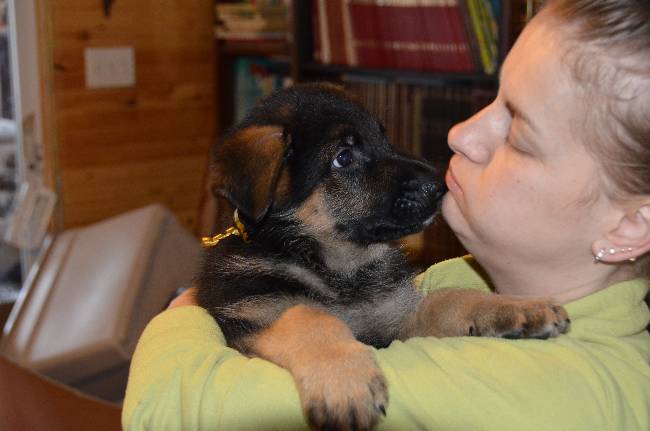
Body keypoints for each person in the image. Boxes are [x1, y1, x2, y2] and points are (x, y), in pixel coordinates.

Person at [122, 0, 650, 429]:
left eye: (520, 133)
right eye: (493, 102)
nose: (459, 133)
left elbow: (160, 410)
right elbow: (415, 316)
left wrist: (181, 315)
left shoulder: (536, 392)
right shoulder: (455, 274)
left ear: (630, 224)